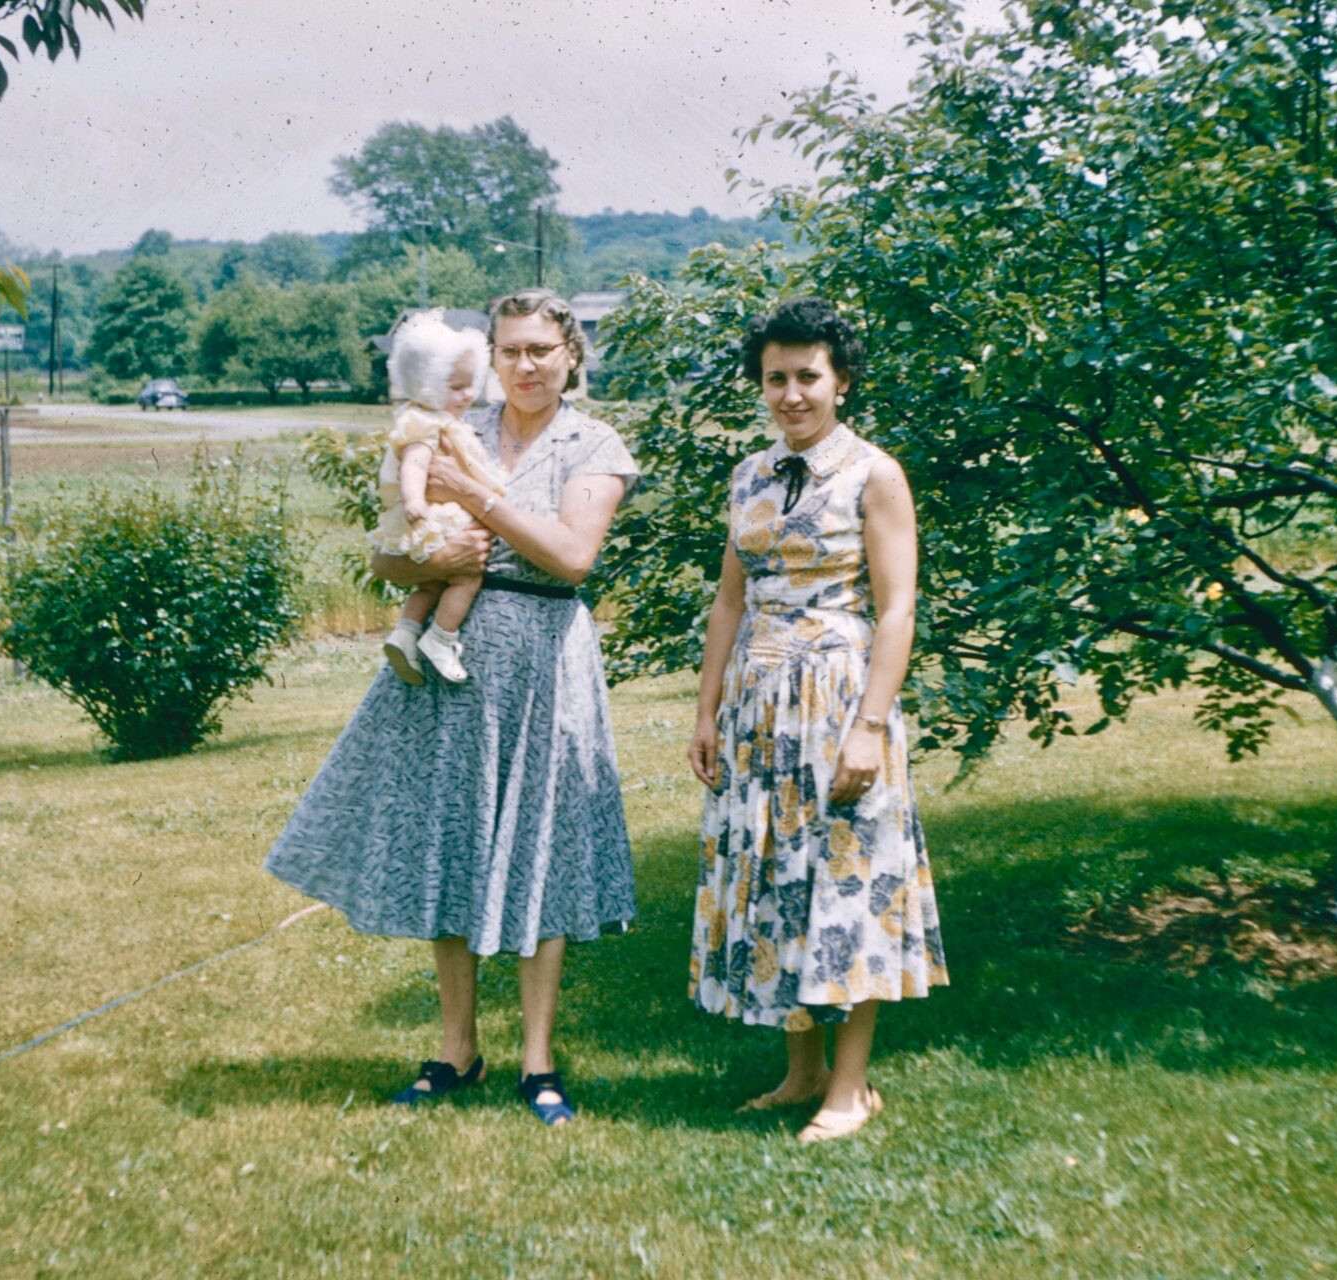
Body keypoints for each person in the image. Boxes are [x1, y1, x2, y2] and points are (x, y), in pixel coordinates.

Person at [264, 288, 640, 1126]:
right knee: (452, 839)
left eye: (542, 349)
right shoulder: (450, 421)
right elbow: (390, 556)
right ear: (490, 356)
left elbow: (574, 557)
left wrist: (476, 505)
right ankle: (456, 1048)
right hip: (450, 660)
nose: (526, 365)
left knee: (541, 848)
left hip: (542, 662)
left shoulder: (595, 443)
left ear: (571, 354)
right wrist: (419, 552)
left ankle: (538, 1060)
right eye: (510, 351)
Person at [687, 297, 947, 1143]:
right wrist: (707, 708)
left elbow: (899, 605)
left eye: (809, 376)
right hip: (759, 707)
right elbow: (730, 599)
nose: (792, 394)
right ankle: (800, 1074)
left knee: (847, 881)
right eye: (776, 378)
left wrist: (870, 724)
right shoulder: (749, 476)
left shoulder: (875, 472)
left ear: (840, 381)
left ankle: (850, 1085)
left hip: (837, 699)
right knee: (775, 879)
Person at [369, 311, 504, 684]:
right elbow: (414, 464)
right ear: (427, 385)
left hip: (439, 513)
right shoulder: (426, 424)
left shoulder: (438, 420)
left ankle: (406, 632)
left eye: (470, 384)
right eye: (456, 387)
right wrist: (414, 501)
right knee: (465, 576)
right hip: (438, 515)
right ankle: (442, 637)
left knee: (431, 583)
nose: (469, 394)